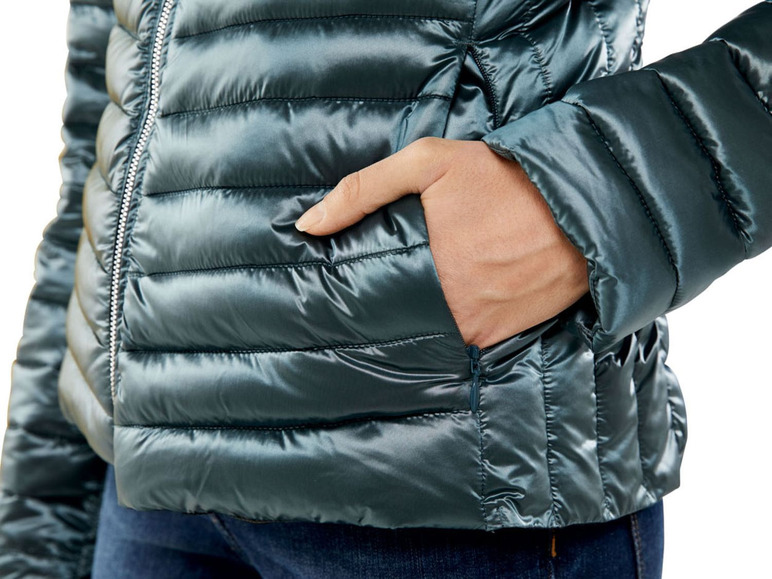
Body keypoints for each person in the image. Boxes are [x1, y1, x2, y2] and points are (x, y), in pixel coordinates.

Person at [0, 0, 769, 577]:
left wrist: (591, 196)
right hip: (142, 488)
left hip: (448, 463)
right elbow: (104, 140)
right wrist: (42, 530)